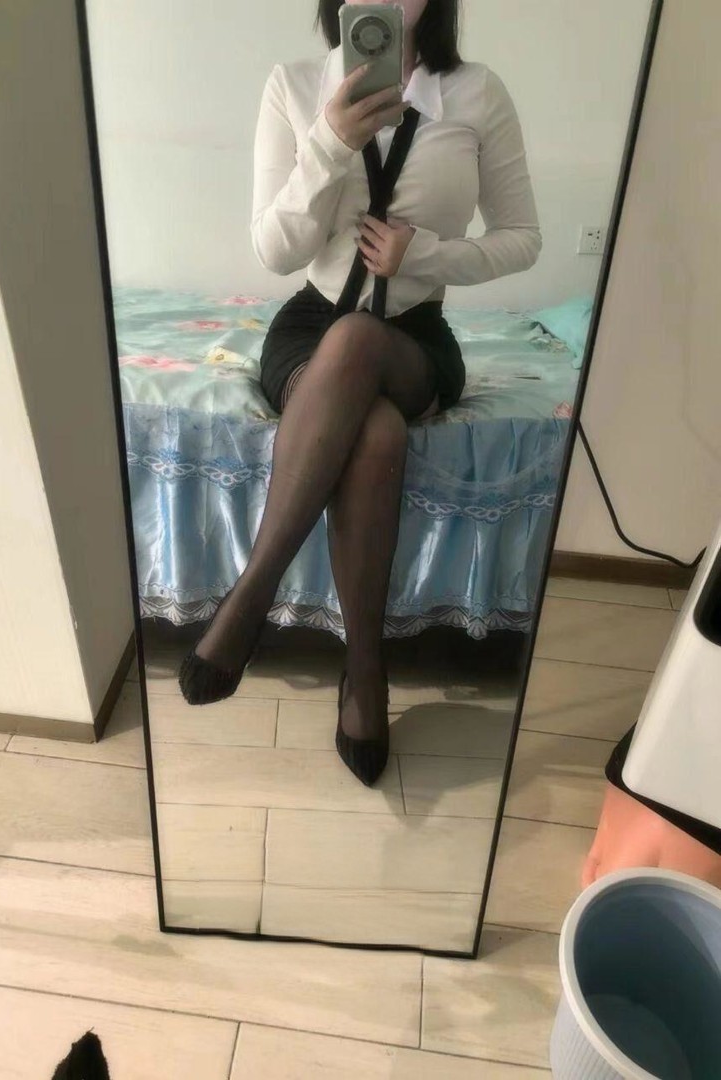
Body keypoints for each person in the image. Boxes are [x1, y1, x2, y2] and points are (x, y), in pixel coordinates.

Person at [179, 0, 542, 786]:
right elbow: (275, 250)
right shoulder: (293, 85)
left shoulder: (477, 92)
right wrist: (330, 144)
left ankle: (251, 595)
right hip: (311, 327)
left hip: (414, 338)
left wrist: (430, 254)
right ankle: (366, 671)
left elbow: (523, 238)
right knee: (374, 429)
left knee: (362, 343)